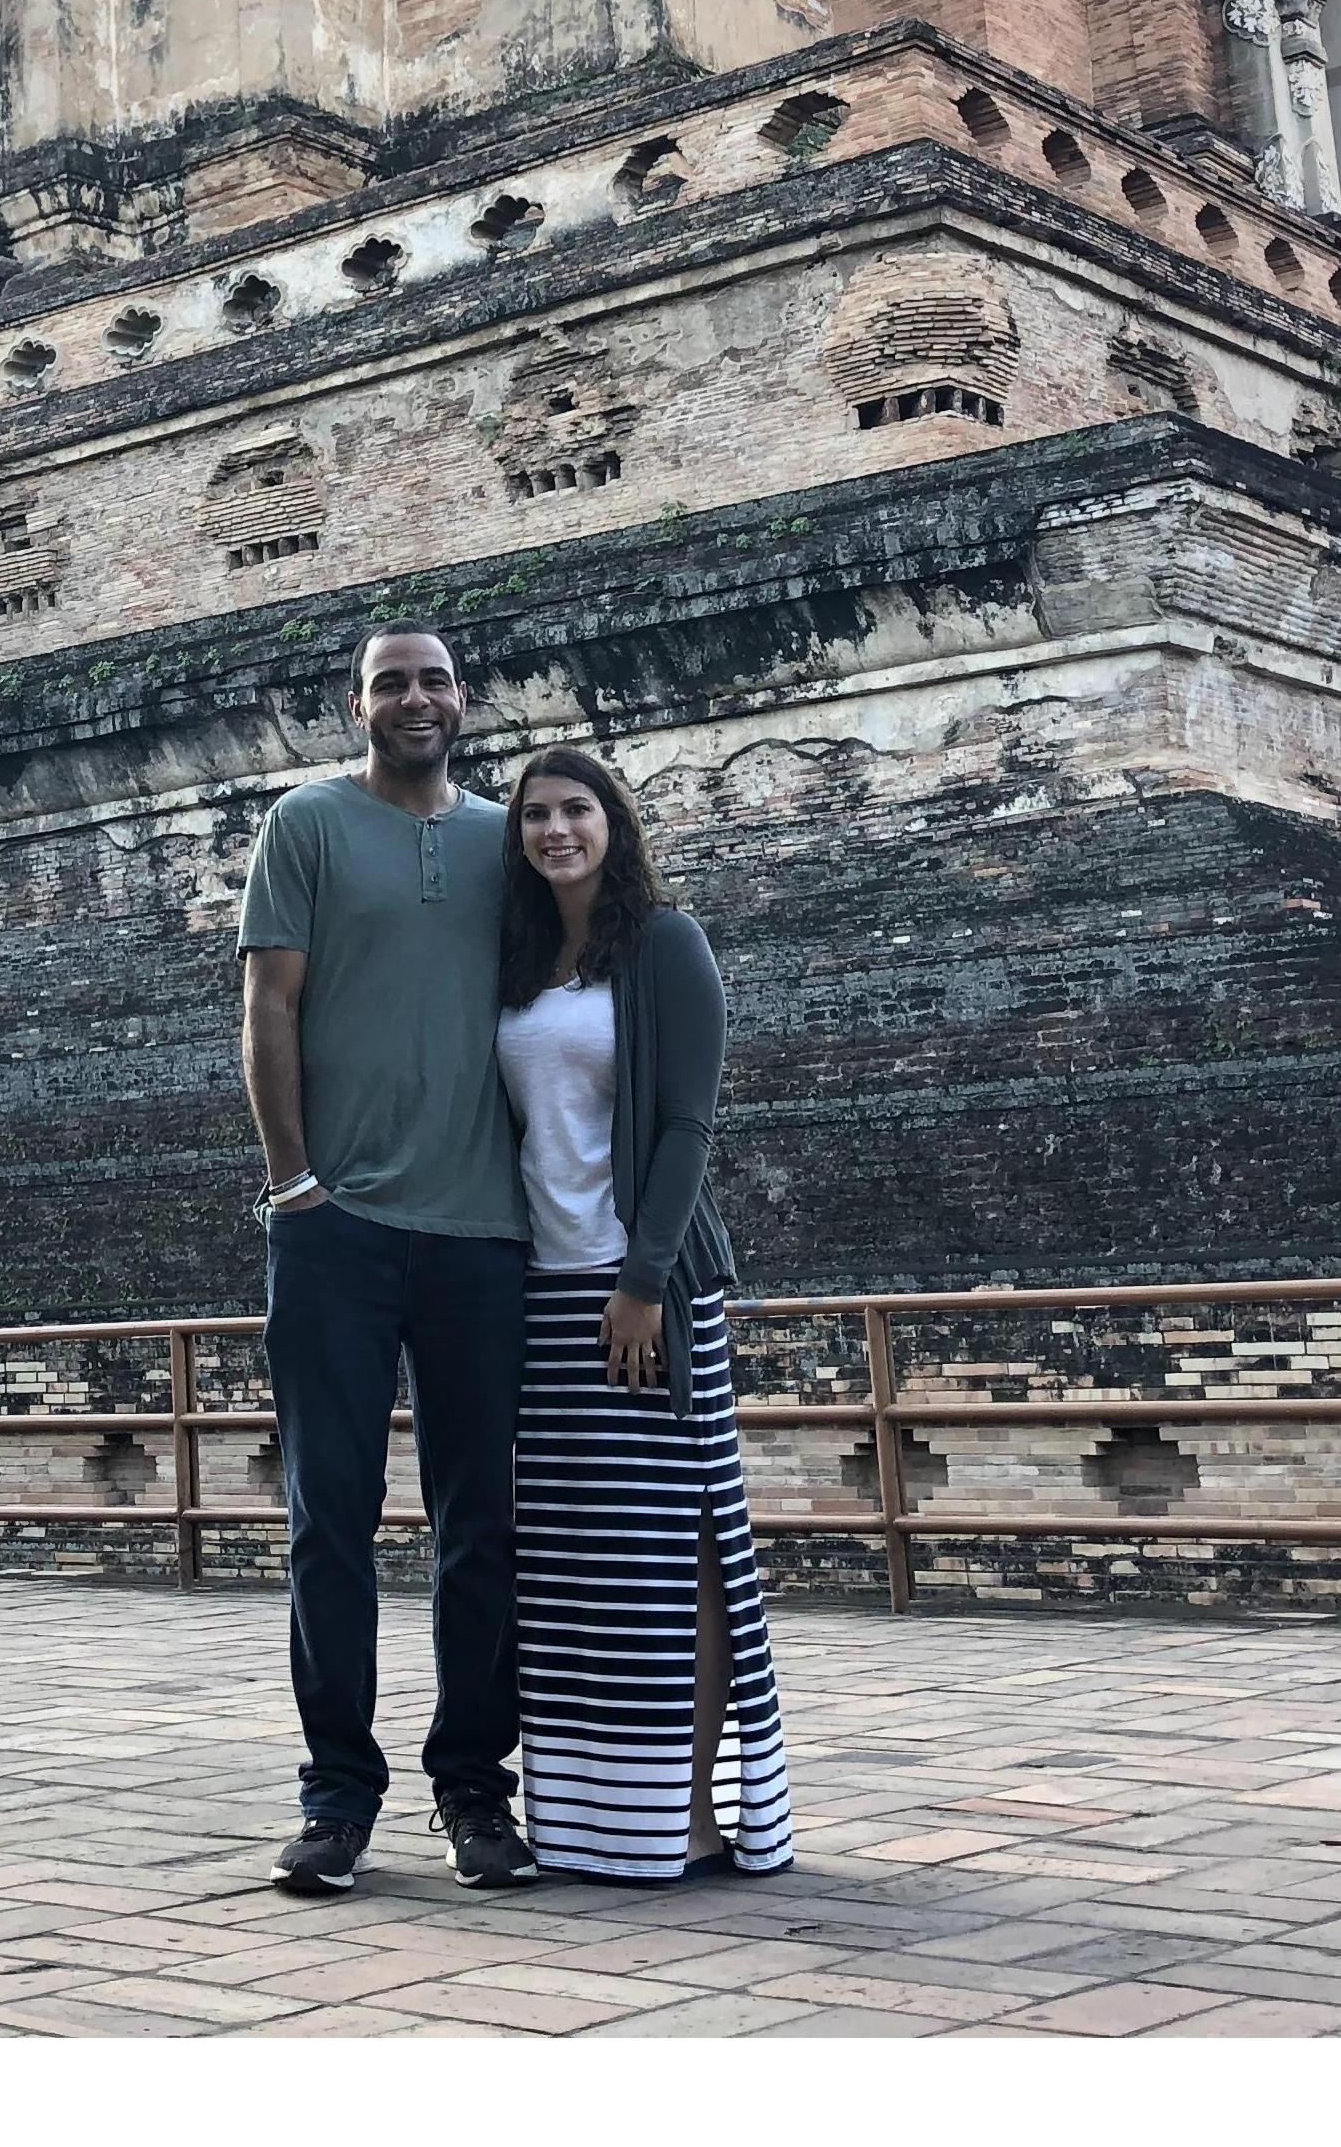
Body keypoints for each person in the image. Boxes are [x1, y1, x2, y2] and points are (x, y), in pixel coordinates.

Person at [239, 623, 538, 1896]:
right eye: (390, 683)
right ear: (354, 703)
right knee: (330, 1523)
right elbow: (269, 1003)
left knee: (484, 1526)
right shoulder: (306, 824)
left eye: (434, 681)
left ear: (465, 700)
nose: (415, 699)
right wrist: (294, 1184)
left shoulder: (508, 840)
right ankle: (335, 1798)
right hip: (338, 1229)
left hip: (485, 1230)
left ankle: (474, 1793)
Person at [493, 744, 795, 1883]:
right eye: (535, 815)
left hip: (644, 1287)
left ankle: (695, 1811)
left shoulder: (666, 944)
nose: (556, 830)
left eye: (576, 809)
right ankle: (591, 1820)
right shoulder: (517, 959)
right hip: (540, 1292)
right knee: (579, 1567)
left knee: (684, 1547)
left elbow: (686, 1125)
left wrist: (642, 1283)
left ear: (614, 823)